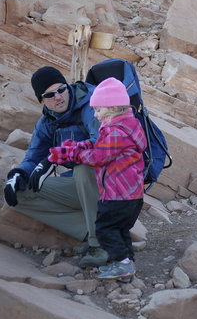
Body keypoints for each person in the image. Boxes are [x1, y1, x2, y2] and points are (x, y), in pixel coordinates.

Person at [3, 66, 106, 268]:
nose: (58, 97)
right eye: (49, 95)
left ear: (68, 87)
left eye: (61, 89)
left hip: (112, 184)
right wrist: (18, 174)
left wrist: (56, 157)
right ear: (41, 101)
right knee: (19, 193)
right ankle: (92, 228)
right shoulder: (47, 122)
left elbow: (101, 146)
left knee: (84, 168)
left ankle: (102, 242)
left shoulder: (92, 104)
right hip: (83, 188)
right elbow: (34, 155)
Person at [48, 77, 147, 281]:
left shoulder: (115, 132)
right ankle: (126, 265)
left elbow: (99, 157)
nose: (95, 115)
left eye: (98, 110)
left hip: (118, 195)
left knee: (105, 229)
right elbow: (100, 148)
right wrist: (79, 146)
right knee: (120, 230)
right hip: (132, 195)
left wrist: (74, 154)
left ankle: (122, 264)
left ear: (112, 108)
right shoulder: (129, 125)